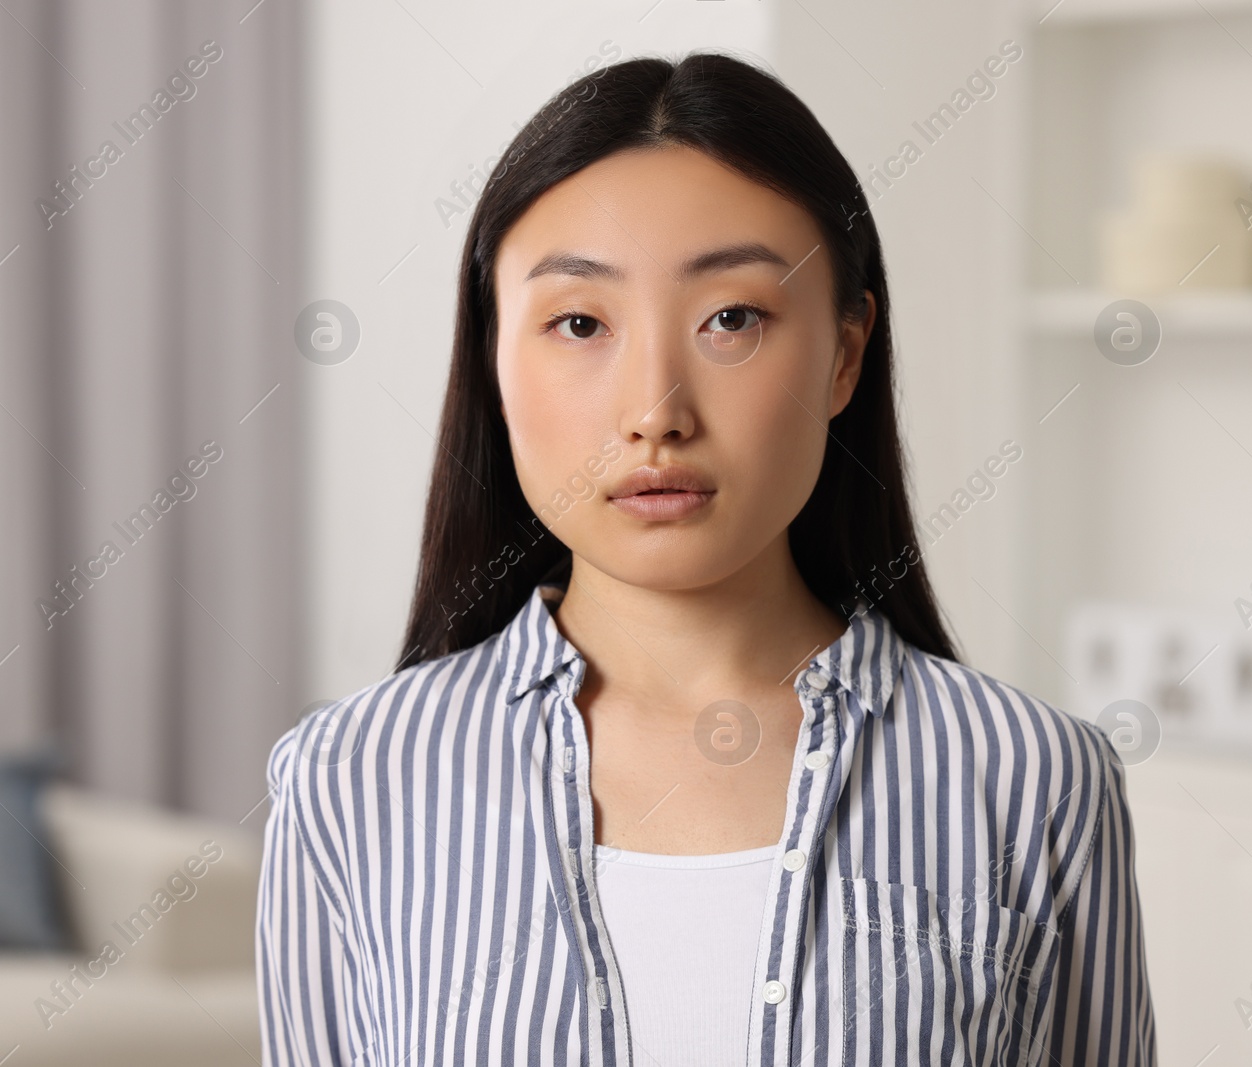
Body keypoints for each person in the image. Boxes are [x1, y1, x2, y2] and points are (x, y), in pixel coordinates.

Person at [257, 52, 1156, 1066]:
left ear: (844, 354)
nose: (655, 411)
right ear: (493, 357)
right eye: (579, 322)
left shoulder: (1030, 779)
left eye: (732, 318)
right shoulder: (348, 777)